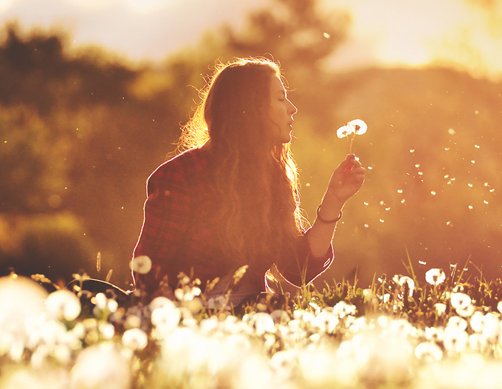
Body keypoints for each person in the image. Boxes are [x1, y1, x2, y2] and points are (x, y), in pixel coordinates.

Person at [131, 57, 365, 306]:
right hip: (193, 317)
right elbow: (148, 274)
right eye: (280, 98)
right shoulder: (180, 175)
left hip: (252, 312)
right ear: (251, 108)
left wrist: (333, 199)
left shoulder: (273, 177)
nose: (292, 108)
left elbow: (298, 269)